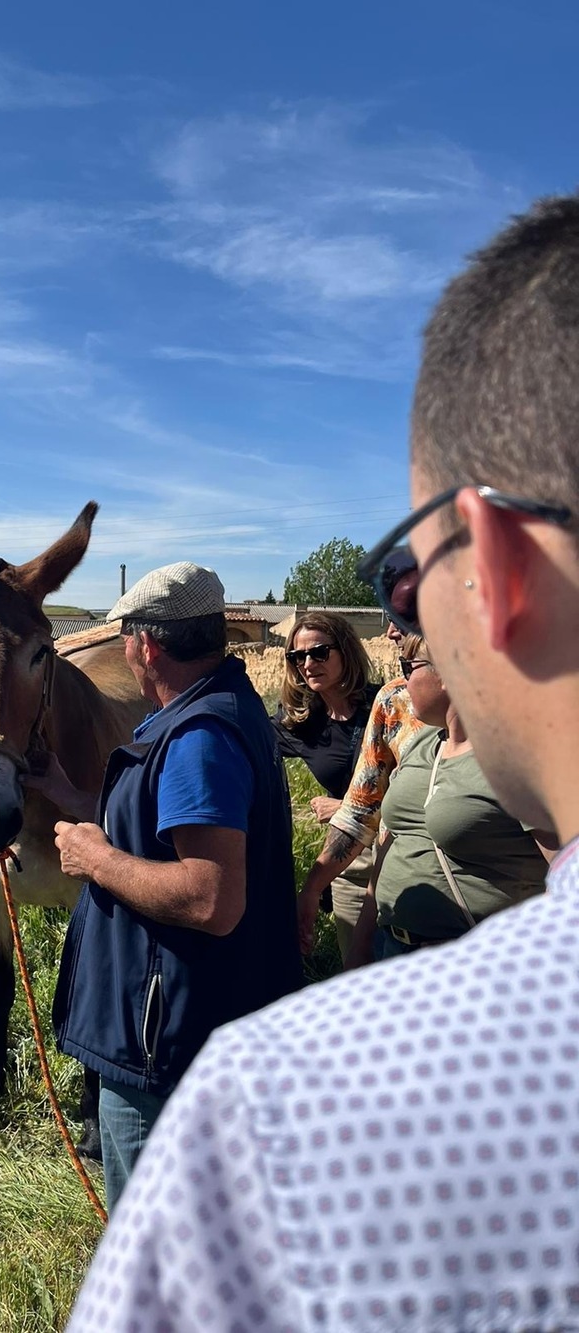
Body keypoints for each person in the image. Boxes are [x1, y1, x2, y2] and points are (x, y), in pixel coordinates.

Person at [66, 195, 579, 1330]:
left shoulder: (294, 1113)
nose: (400, 637)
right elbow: (346, 811)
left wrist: (94, 852)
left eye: (409, 581)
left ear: (491, 569)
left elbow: (208, 888)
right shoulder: (272, 718)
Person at [37, 561, 303, 1212]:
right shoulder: (220, 710)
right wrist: (63, 794)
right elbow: (162, 827)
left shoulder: (197, 741)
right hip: (197, 1025)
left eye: (123, 639)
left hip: (166, 1047)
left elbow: (209, 897)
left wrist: (95, 859)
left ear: (145, 645)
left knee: (155, 1231)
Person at [346, 634, 549, 966]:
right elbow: (394, 843)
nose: (402, 681)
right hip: (393, 949)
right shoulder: (425, 743)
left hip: (478, 967)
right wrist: (362, 940)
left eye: (409, 667)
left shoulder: (518, 759)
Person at [270, 611, 378, 960]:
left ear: (345, 651)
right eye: (297, 656)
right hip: (348, 864)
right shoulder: (302, 723)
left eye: (319, 652)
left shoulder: (386, 705)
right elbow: (244, 741)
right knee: (357, 969)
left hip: (397, 851)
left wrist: (345, 808)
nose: (307, 663)